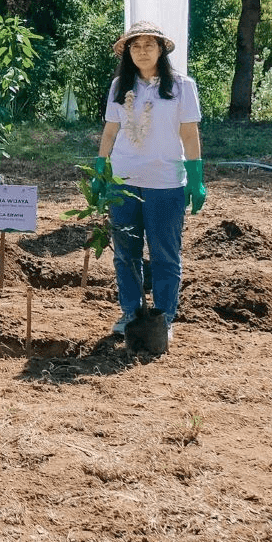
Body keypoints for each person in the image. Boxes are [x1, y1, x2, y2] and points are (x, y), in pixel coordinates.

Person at [96, 21, 205, 337]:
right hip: (124, 182)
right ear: (128, 53)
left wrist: (196, 178)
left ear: (161, 50)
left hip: (166, 183)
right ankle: (131, 312)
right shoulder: (120, 87)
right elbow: (110, 131)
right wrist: (100, 170)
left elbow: (189, 133)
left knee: (164, 255)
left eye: (149, 45)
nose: (142, 51)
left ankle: (163, 319)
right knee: (125, 253)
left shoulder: (182, 87)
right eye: (135, 46)